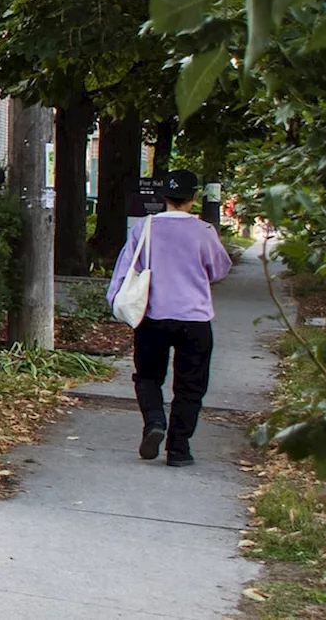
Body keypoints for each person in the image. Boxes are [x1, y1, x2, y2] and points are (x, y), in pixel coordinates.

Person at [106, 169, 232, 467]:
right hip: (195, 319)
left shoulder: (144, 228)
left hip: (153, 316)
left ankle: (154, 422)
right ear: (193, 198)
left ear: (164, 197)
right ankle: (179, 449)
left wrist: (115, 301)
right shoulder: (204, 232)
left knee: (148, 376)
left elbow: (125, 269)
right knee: (191, 385)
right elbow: (219, 269)